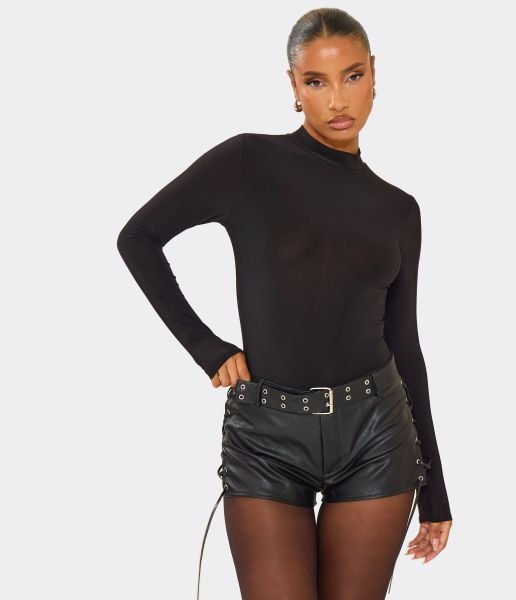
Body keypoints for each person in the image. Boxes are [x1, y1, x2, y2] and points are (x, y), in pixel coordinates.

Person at [117, 7, 453, 599]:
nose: (338, 99)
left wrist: (436, 490)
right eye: (316, 81)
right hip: (266, 436)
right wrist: (207, 348)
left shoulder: (399, 210)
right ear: (294, 86)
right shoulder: (248, 162)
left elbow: (405, 344)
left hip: (376, 433)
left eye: (352, 76)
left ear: (374, 74)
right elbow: (138, 237)